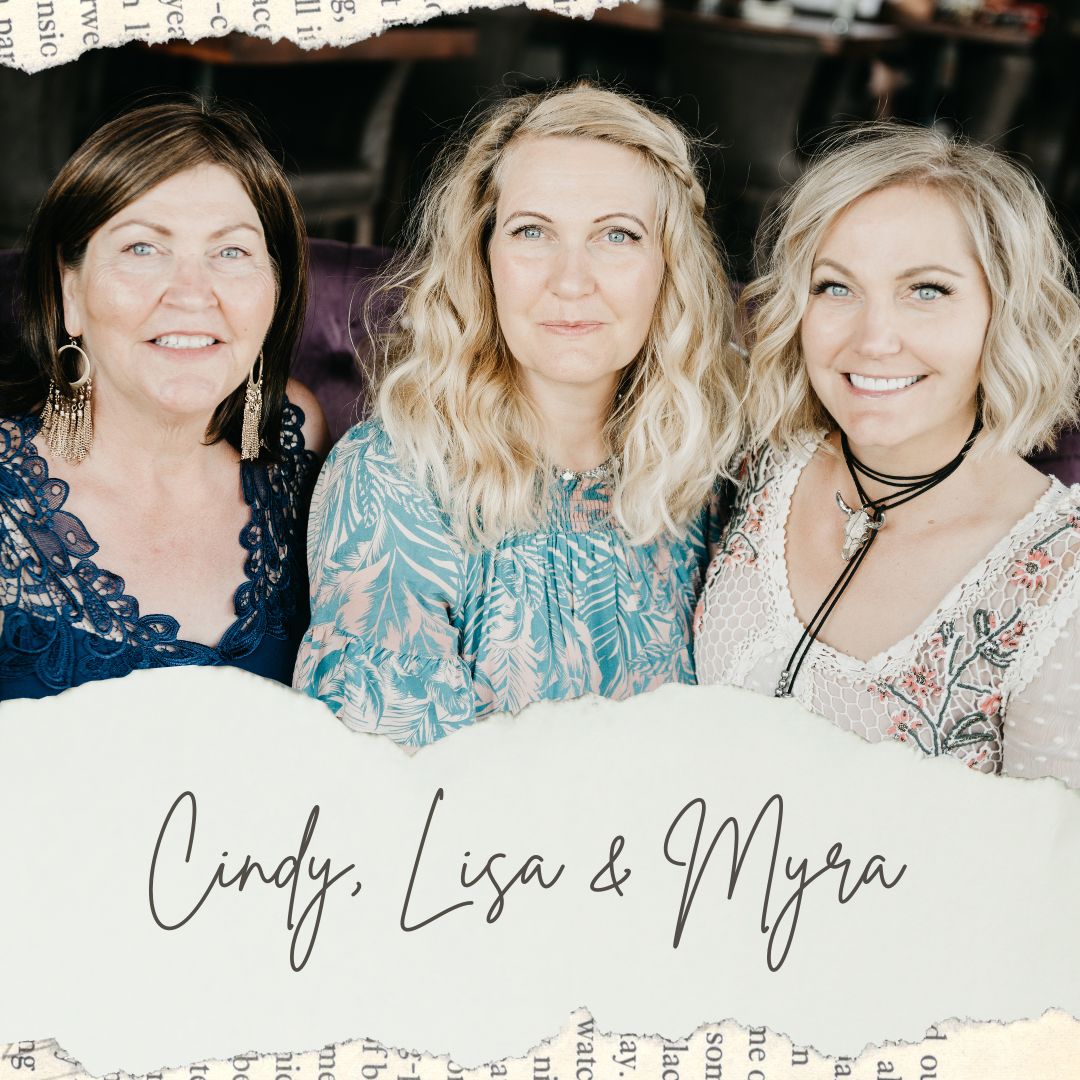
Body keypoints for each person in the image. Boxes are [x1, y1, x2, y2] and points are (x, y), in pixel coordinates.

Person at [294, 84, 744, 747]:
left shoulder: (698, 476)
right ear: (484, 260)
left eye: (616, 235)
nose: (571, 279)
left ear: (666, 268)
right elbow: (389, 782)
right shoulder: (392, 475)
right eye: (533, 232)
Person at [695, 124, 1080, 786]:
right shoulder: (759, 457)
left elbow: (1046, 866)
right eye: (836, 287)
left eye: (926, 291)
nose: (874, 340)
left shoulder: (1055, 579)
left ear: (1003, 310)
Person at [0, 99, 330, 700]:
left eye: (231, 252)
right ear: (68, 290)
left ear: (276, 292)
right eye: (142, 248)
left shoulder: (295, 440)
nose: (191, 294)